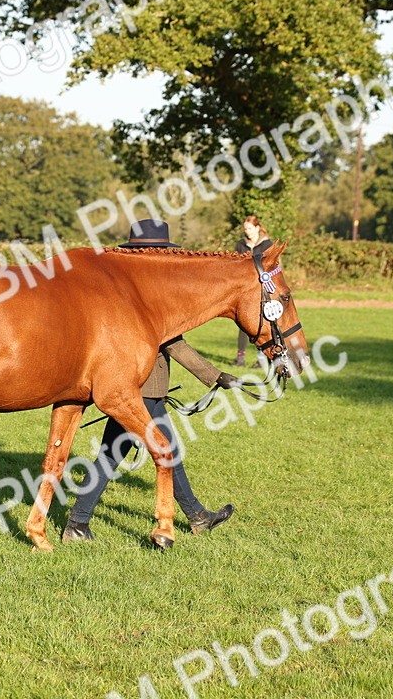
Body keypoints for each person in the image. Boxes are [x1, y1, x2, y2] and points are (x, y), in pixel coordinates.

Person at [62, 219, 242, 543]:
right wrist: (214, 376)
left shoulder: (143, 283)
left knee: (122, 451)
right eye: (155, 250)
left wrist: (216, 376)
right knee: (153, 450)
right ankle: (78, 523)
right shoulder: (139, 286)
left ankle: (81, 522)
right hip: (138, 385)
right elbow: (174, 342)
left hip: (144, 386)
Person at [233, 216, 272, 366]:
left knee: (262, 323)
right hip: (244, 289)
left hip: (262, 289)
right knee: (242, 323)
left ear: (257, 228)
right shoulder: (240, 245)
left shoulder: (267, 245)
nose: (247, 232)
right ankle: (240, 358)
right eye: (245, 229)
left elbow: (271, 266)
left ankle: (261, 359)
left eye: (250, 228)